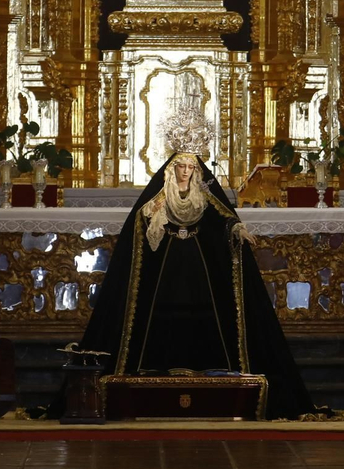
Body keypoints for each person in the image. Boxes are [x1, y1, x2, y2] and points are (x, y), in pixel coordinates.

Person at [52, 151, 312, 419]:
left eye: (190, 166)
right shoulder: (163, 194)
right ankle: (154, 362)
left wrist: (236, 229)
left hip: (199, 268)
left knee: (203, 312)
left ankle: (208, 361)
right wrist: (152, 214)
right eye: (182, 166)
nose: (186, 171)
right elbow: (141, 219)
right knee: (159, 312)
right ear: (172, 169)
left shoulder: (203, 194)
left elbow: (221, 216)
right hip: (166, 264)